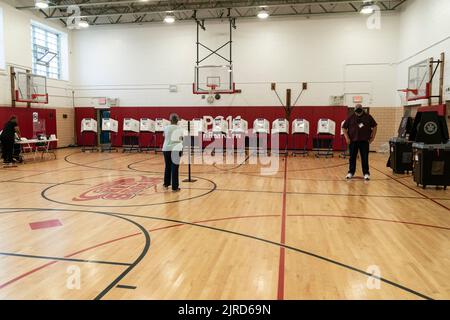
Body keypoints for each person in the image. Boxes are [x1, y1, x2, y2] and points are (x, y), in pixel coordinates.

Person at [342, 104, 378, 181]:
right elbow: (344, 128)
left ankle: (366, 173)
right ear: (354, 110)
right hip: (353, 141)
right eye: (356, 111)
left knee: (365, 157)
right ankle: (351, 172)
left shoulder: (368, 117)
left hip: (364, 141)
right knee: (352, 157)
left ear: (362, 110)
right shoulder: (350, 117)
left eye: (359, 110)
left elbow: (375, 126)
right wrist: (347, 138)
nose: (358, 112)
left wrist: (373, 137)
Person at [162, 113, 183, 192]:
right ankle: (175, 187)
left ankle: (166, 184)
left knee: (167, 166)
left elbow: (164, 136)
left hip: (166, 149)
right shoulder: (180, 128)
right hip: (176, 149)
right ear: (177, 120)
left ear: (170, 120)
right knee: (175, 168)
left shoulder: (166, 128)